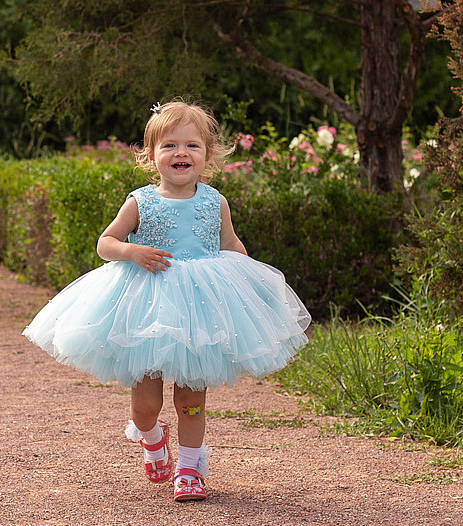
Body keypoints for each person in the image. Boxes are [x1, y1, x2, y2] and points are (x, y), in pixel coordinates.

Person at [24, 101, 311, 501]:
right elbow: (105, 243)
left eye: (192, 146)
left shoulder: (215, 202)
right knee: (145, 404)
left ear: (208, 155)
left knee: (191, 397)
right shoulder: (142, 201)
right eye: (169, 146)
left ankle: (189, 469)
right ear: (151, 155)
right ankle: (151, 437)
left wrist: (247, 286)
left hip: (201, 309)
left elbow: (231, 246)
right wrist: (132, 252)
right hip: (147, 308)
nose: (181, 153)